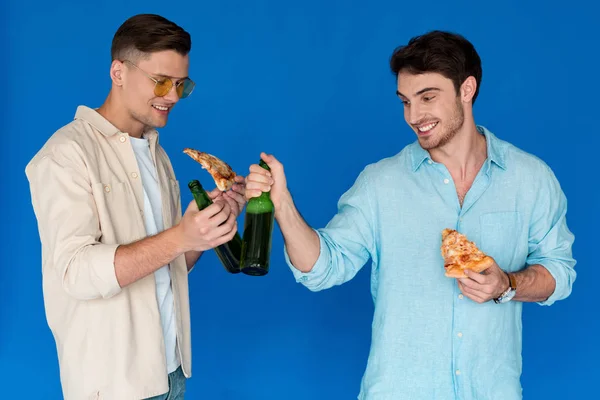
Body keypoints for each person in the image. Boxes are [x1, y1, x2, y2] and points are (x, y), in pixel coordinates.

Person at [244, 30, 576, 399]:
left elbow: (558, 272)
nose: (414, 116)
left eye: (427, 97)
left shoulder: (530, 178)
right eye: (405, 101)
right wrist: (283, 205)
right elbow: (323, 268)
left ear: (466, 90)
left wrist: (507, 285)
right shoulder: (380, 183)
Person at [25, 14, 245, 400]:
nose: (173, 96)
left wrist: (203, 230)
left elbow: (169, 264)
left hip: (170, 374)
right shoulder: (65, 155)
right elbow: (76, 272)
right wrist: (180, 235)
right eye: (161, 81)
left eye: (181, 85)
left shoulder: (156, 156)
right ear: (118, 72)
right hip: (112, 387)